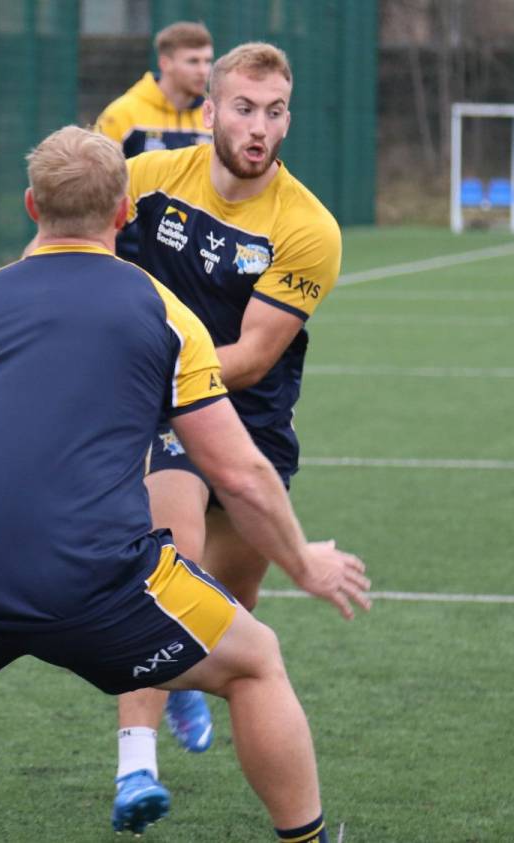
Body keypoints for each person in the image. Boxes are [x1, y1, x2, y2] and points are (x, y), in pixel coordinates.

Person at [0, 126, 369, 843]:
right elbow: (239, 470)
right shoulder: (162, 309)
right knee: (256, 661)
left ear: (31, 206)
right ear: (124, 213)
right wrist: (305, 562)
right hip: (100, 581)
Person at [106, 41, 348, 833]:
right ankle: (134, 764)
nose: (260, 126)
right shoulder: (146, 180)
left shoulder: (308, 227)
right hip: (164, 413)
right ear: (208, 112)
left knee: (229, 616)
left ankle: (179, 686)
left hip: (251, 420)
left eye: (275, 111)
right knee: (164, 559)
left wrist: (159, 370)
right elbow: (78, 246)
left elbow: (250, 357)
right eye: (244, 108)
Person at [95, 21, 214, 157]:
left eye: (208, 61)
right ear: (165, 63)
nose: (203, 70)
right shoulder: (122, 114)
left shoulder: (215, 117)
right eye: (193, 61)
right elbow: (98, 173)